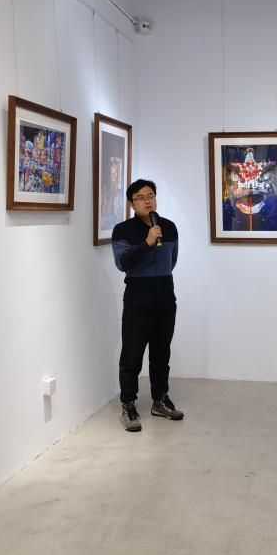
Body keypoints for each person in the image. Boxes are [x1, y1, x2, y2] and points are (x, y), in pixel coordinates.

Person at [112, 179, 184, 432]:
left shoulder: (169, 227)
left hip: (165, 298)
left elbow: (172, 261)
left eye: (151, 196)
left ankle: (160, 400)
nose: (147, 201)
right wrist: (147, 242)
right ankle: (128, 404)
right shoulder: (123, 230)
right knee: (132, 355)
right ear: (132, 203)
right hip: (138, 300)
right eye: (141, 198)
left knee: (161, 354)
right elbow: (123, 263)